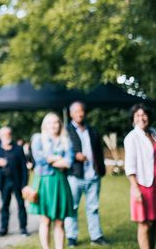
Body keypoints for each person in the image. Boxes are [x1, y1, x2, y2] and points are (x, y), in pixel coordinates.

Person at [124, 104, 156, 249]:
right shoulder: (131, 137)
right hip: (143, 184)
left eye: (144, 115)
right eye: (137, 115)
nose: (141, 118)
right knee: (145, 223)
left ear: (148, 117)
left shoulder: (154, 133)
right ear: (133, 119)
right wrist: (135, 188)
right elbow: (130, 166)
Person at [64, 101, 110, 246]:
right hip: (75, 175)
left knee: (93, 207)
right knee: (72, 207)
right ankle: (72, 237)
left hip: (93, 175)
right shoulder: (66, 131)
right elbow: (62, 150)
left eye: (82, 111)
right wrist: (74, 155)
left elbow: (99, 152)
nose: (80, 114)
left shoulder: (92, 130)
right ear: (71, 114)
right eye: (76, 111)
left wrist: (101, 169)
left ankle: (96, 237)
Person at [30, 112, 75, 249]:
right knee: (45, 219)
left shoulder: (66, 140)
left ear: (60, 124)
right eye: (50, 122)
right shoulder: (38, 138)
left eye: (56, 122)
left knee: (60, 221)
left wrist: (51, 158)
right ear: (45, 125)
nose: (53, 125)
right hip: (44, 181)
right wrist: (57, 159)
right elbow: (39, 159)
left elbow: (69, 162)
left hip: (60, 182)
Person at [0, 126, 29, 237]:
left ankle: (23, 228)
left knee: (21, 205)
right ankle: (3, 228)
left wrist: (25, 184)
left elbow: (24, 168)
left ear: (11, 135)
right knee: (5, 205)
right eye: (4, 135)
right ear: (0, 136)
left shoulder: (18, 148)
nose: (6, 136)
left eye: (8, 134)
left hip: (17, 181)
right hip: (3, 181)